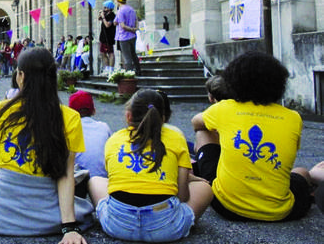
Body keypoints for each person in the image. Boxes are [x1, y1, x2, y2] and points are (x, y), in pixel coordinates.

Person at [0, 47, 92, 242]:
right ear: (52, 78)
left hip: (0, 213)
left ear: (20, 76)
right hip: (48, 214)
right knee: (79, 180)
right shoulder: (70, 117)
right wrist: (68, 228)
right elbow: (65, 175)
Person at [191, 51, 316, 222]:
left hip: (227, 206)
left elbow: (196, 122)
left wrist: (221, 134)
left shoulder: (223, 108)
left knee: (203, 131)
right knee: (301, 172)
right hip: (280, 211)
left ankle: (200, 166)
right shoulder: (293, 117)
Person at [88, 89, 213, 242]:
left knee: (95, 180)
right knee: (205, 188)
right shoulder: (176, 136)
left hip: (117, 226)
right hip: (166, 229)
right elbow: (183, 196)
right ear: (163, 117)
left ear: (128, 116)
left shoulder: (114, 139)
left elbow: (112, 180)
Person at [69, 90, 111, 178]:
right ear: (93, 111)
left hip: (78, 179)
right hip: (102, 178)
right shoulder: (104, 127)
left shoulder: (68, 129)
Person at [114, 0, 140, 76]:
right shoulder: (131, 9)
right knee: (133, 54)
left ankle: (129, 74)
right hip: (133, 36)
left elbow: (122, 26)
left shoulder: (121, 11)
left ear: (118, 1)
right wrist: (135, 29)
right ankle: (138, 70)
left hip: (124, 37)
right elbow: (136, 20)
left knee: (127, 57)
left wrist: (131, 29)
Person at [98, 1, 116, 73]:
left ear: (109, 8)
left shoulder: (112, 15)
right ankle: (107, 67)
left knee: (110, 52)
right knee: (103, 53)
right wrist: (101, 16)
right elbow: (99, 19)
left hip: (109, 37)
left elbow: (107, 25)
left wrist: (103, 17)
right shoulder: (106, 15)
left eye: (105, 7)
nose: (104, 9)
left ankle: (111, 68)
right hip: (103, 37)